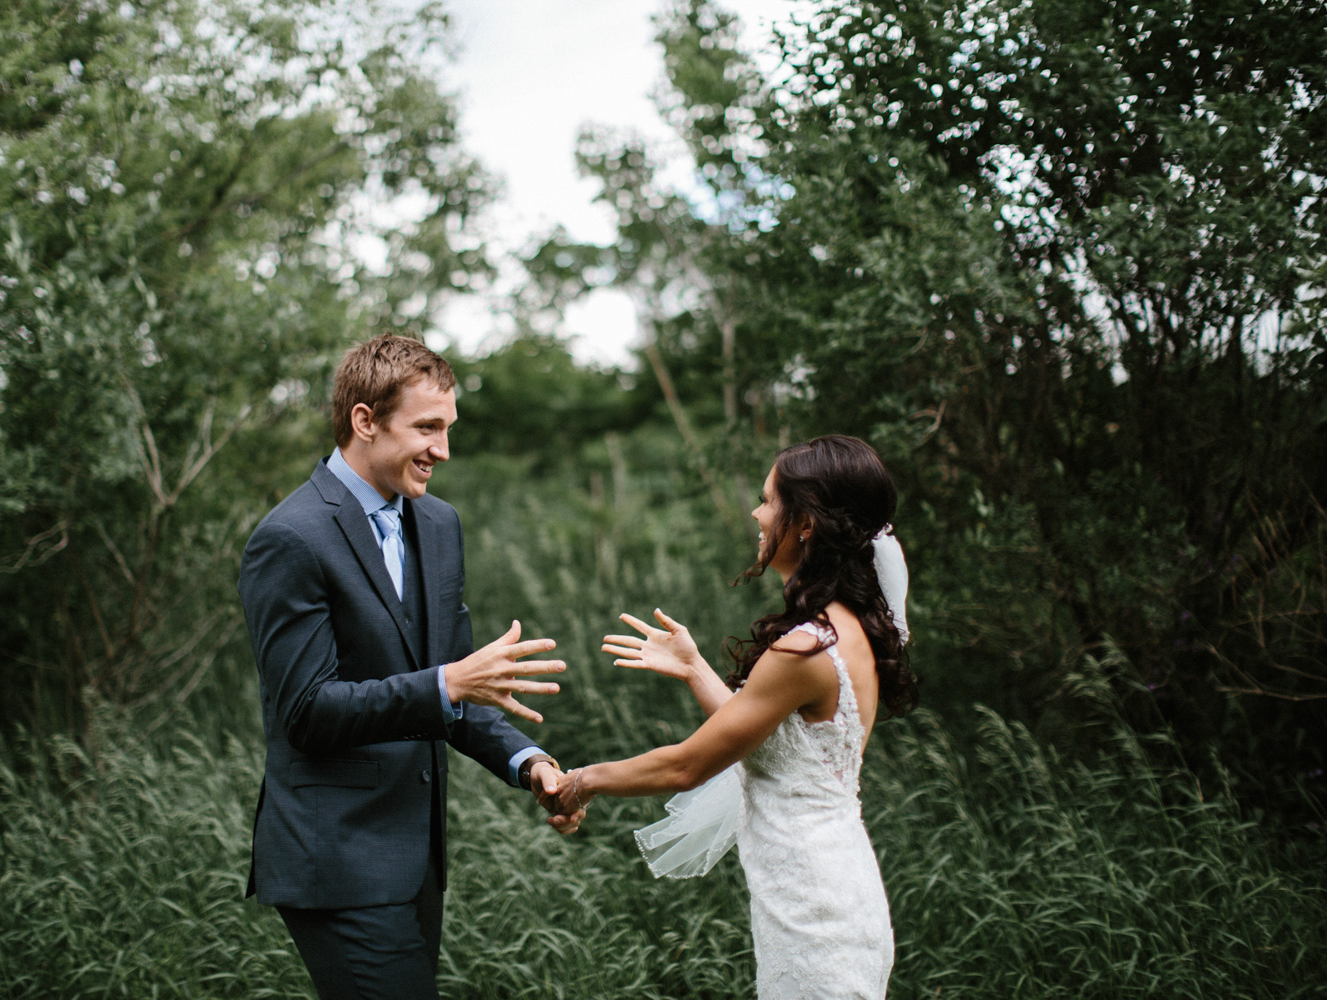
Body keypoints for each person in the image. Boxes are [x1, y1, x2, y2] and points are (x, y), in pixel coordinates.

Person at [237, 334, 584, 1000]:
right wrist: (449, 683)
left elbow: (456, 685)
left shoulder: (439, 524)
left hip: (417, 863)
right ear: (365, 421)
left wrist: (530, 763)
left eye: (447, 429)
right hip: (334, 859)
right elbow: (307, 712)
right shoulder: (290, 538)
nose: (443, 450)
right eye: (427, 427)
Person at [555, 434, 919, 1000]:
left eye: (770, 500)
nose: (756, 511)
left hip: (813, 914)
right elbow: (760, 736)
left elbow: (687, 765)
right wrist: (693, 664)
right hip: (835, 893)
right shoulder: (848, 631)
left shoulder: (806, 649)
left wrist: (582, 782)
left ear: (806, 523)